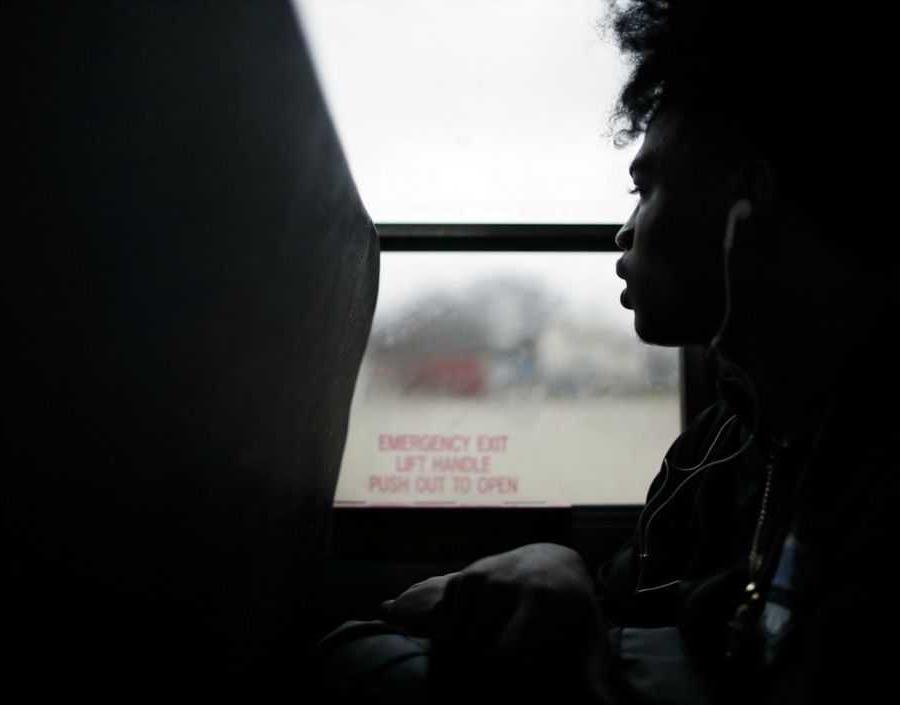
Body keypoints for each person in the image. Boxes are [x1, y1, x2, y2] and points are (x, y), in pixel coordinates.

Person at [312, 1, 897, 702]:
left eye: (645, 189)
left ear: (750, 205)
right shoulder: (725, 440)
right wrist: (552, 561)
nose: (624, 233)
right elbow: (633, 597)